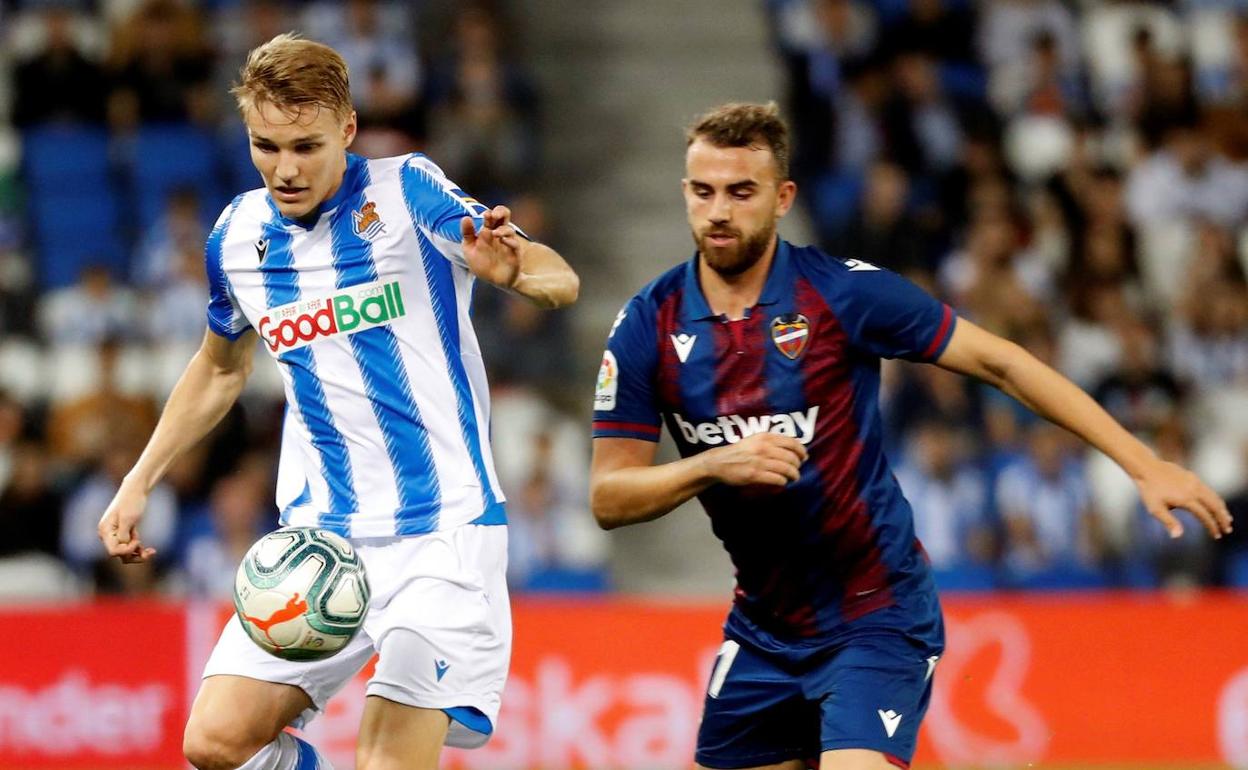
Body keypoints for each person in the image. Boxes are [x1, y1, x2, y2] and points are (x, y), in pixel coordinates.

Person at [588, 101, 1230, 770]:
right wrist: (713, 465)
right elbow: (609, 496)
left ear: (782, 199)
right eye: (703, 191)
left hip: (876, 612)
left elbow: (1001, 363)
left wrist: (1141, 461)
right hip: (765, 628)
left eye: (741, 191)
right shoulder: (647, 325)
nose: (718, 210)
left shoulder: (842, 294)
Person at [97, 34, 578, 770]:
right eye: (266, 145)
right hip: (321, 542)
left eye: (306, 146)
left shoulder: (407, 189)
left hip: (441, 536)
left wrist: (514, 272)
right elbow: (219, 367)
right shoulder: (235, 237)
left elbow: (556, 278)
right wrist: (138, 480)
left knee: (384, 761)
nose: (284, 169)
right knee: (213, 745)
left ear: (348, 129)